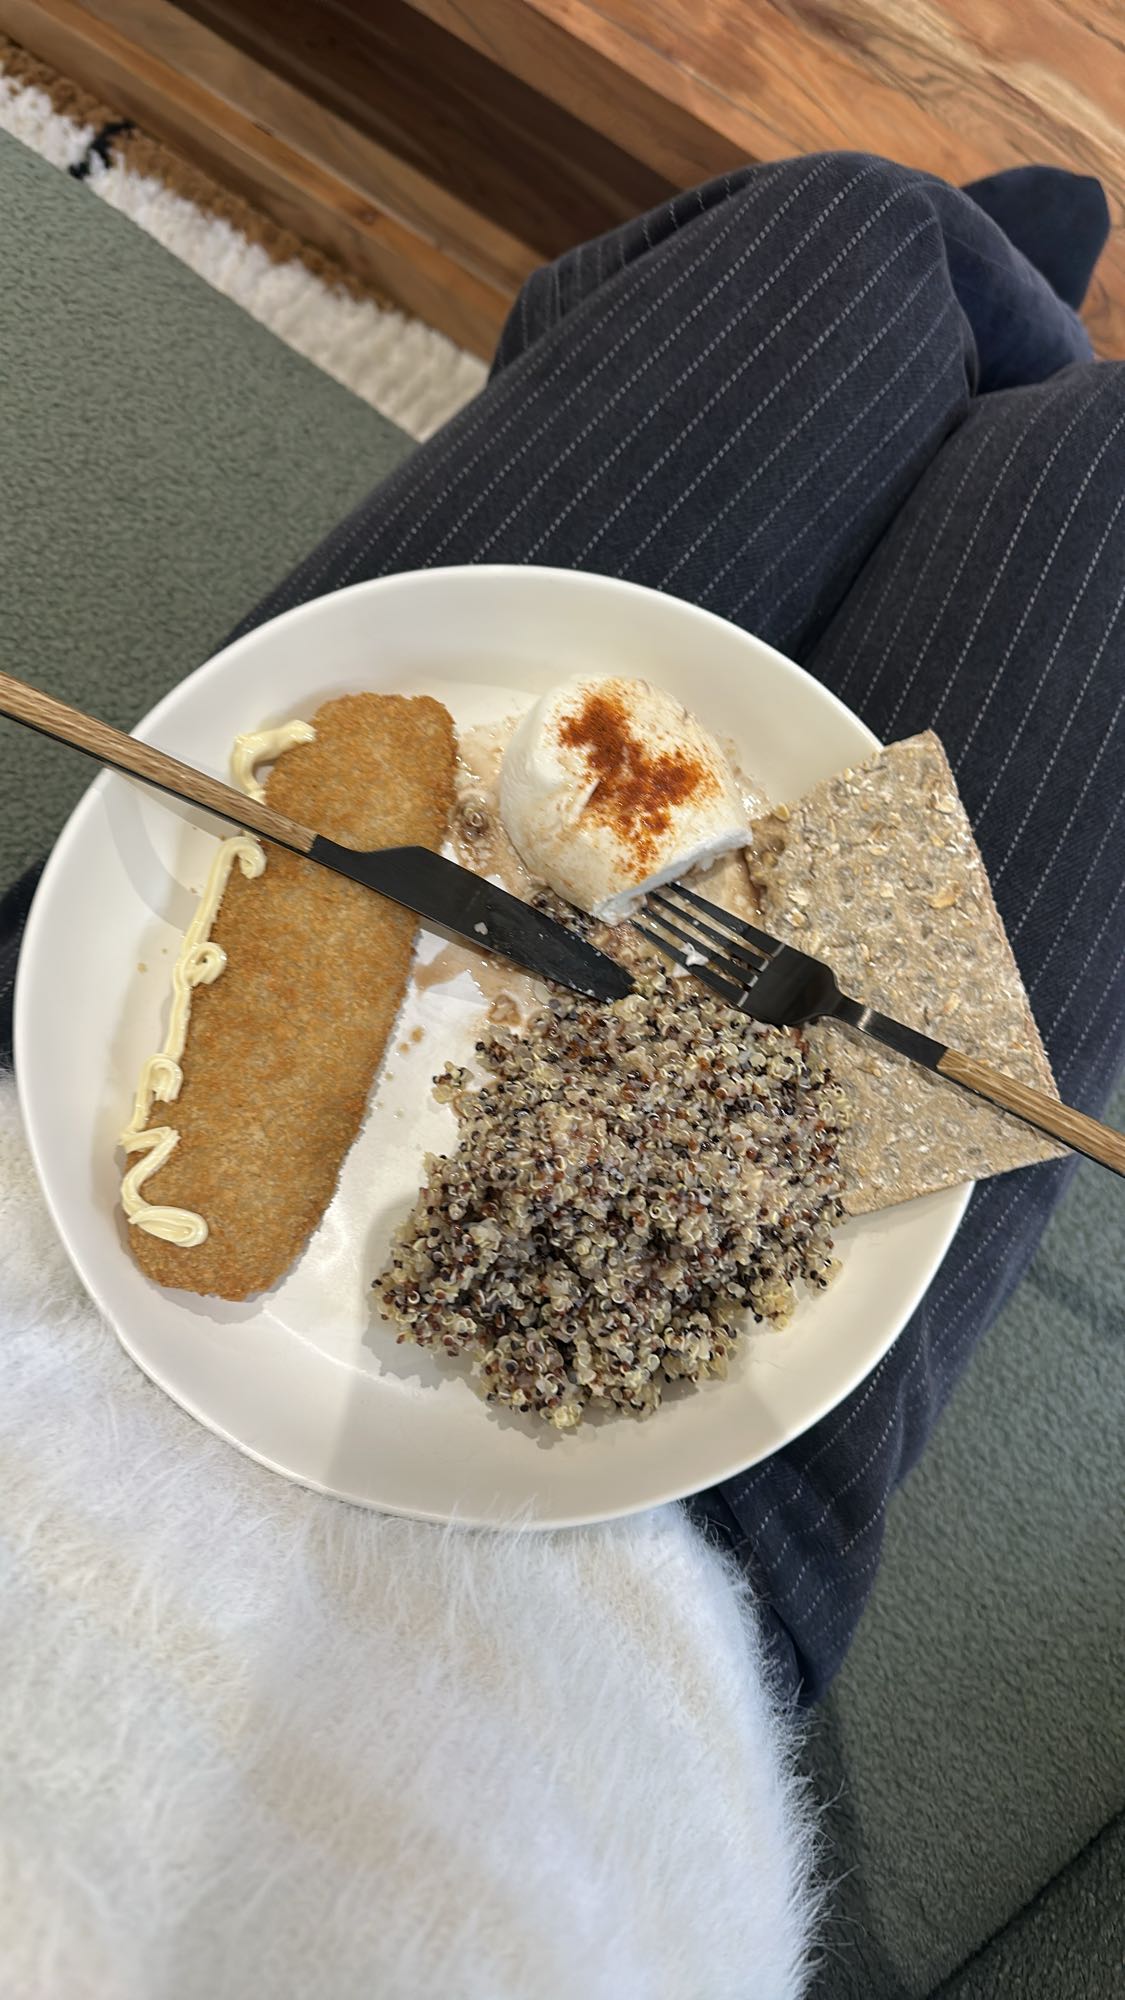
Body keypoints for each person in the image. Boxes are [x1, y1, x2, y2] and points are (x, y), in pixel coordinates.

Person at [1, 152, 1121, 1714]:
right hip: (669, 1578)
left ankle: (992, 313)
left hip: (17, 1123)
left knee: (855, 235)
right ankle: (1009, 340)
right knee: (1065, 430)